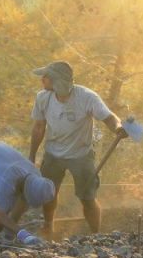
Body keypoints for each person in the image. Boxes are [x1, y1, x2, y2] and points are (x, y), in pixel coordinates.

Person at [29, 61, 127, 237]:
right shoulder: (43, 98)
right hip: (53, 153)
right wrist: (31, 156)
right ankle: (49, 226)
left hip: (81, 155)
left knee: (87, 198)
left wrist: (118, 128)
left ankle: (95, 235)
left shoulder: (87, 97)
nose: (42, 79)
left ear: (57, 82)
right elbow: (38, 128)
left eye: (46, 77)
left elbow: (109, 117)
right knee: (49, 193)